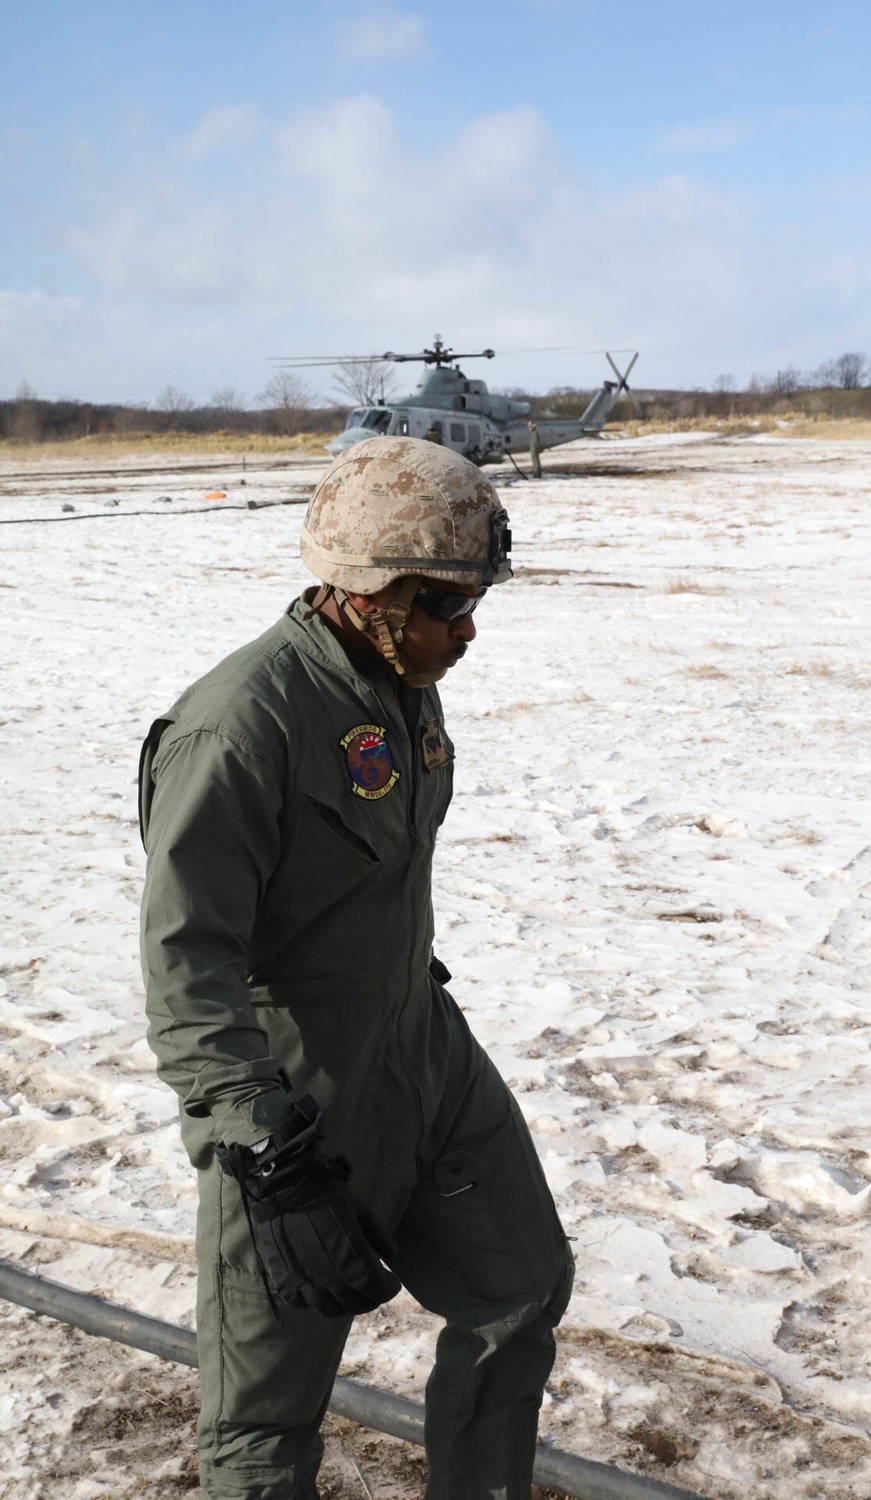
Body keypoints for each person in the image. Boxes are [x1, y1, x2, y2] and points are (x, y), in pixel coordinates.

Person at [138, 437, 574, 1500]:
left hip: (421, 1042)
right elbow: (186, 957)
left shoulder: (399, 678)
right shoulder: (239, 726)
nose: (465, 632)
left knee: (519, 1290)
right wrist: (261, 1146)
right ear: (370, 592)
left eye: (474, 604)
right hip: (297, 1090)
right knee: (264, 1414)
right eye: (444, 605)